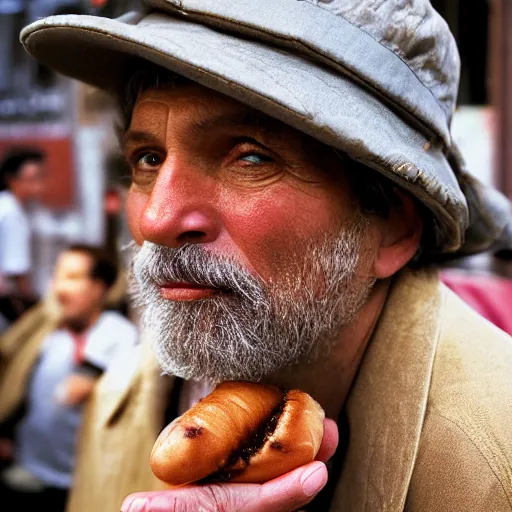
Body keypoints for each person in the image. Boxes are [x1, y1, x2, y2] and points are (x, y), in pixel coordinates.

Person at [20, 1, 512, 511]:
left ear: (392, 228)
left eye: (250, 156)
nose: (157, 220)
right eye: (148, 158)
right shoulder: (116, 401)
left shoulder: (496, 465)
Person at [0, 245, 138, 511]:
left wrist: (90, 383)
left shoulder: (115, 333)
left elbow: (86, 382)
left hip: (75, 481)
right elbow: (17, 385)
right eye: (57, 276)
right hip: (29, 467)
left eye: (72, 278)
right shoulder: (48, 332)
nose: (59, 289)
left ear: (99, 288)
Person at [0, 148, 45, 330]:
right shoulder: (11, 213)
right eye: (34, 177)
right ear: (12, 180)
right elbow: (17, 271)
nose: (40, 183)